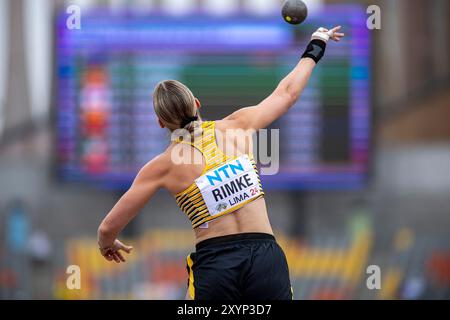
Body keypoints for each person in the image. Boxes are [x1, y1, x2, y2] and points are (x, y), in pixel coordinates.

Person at [97, 26, 344, 300]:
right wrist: (317, 43)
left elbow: (108, 227)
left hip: (216, 265)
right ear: (197, 104)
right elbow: (288, 93)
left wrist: (106, 244)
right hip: (265, 260)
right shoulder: (238, 126)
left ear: (160, 123)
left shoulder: (161, 166)